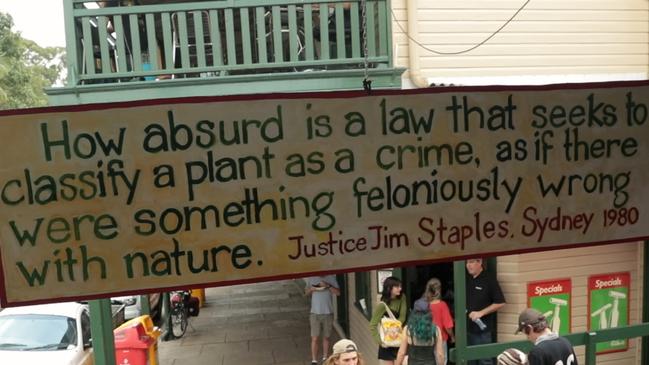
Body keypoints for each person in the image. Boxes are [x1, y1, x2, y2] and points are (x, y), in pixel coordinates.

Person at [466, 258, 506, 365]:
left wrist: (481, 313)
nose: (468, 265)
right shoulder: (467, 279)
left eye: (471, 262)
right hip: (468, 329)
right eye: (467, 263)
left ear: (480, 262)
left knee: (485, 360)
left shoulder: (489, 280)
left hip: (483, 331)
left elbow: (500, 302)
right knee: (470, 360)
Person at [369, 276, 408, 365]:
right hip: (387, 342)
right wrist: (380, 341)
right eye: (397, 287)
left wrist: (393, 329)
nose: (400, 289)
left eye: (400, 286)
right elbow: (372, 324)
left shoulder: (402, 297)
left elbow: (402, 317)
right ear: (389, 288)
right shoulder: (382, 305)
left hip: (399, 339)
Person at [395, 298, 444, 365]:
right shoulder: (436, 329)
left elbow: (402, 353)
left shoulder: (408, 329)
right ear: (429, 313)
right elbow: (440, 354)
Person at [306, 275, 341, 365]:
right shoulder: (311, 277)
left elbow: (338, 293)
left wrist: (328, 285)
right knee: (314, 338)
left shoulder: (331, 278)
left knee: (326, 337)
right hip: (314, 313)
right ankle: (314, 360)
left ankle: (325, 358)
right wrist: (312, 289)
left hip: (328, 312)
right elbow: (306, 292)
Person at [424, 277, 455, 365]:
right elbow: (448, 326)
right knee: (441, 361)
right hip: (440, 339)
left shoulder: (423, 304)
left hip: (425, 339)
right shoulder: (442, 305)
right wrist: (452, 337)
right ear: (439, 289)